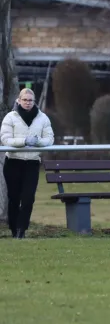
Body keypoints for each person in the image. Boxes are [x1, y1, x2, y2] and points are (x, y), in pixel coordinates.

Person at [0, 88, 54, 238]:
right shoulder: (10, 117)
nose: (28, 103)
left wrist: (37, 143)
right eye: (25, 100)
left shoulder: (43, 118)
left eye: (30, 100)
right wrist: (24, 141)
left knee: (28, 198)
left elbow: (49, 139)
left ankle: (21, 230)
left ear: (34, 101)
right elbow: (6, 140)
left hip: (32, 163)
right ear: (19, 100)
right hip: (13, 162)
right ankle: (13, 228)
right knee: (14, 198)